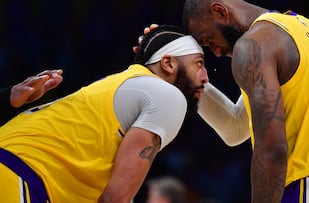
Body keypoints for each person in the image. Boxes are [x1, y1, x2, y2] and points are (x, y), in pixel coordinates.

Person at [0, 25, 209, 203]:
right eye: (199, 64)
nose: (206, 78)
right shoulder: (169, 96)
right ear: (168, 64)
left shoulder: (123, 84)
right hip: (19, 174)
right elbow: (115, 198)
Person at [180, 0, 309, 202]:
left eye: (210, 39)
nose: (217, 52)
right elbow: (236, 128)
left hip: (307, 188)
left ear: (220, 11)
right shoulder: (301, 27)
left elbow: (272, 150)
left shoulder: (251, 46)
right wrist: (181, 74)